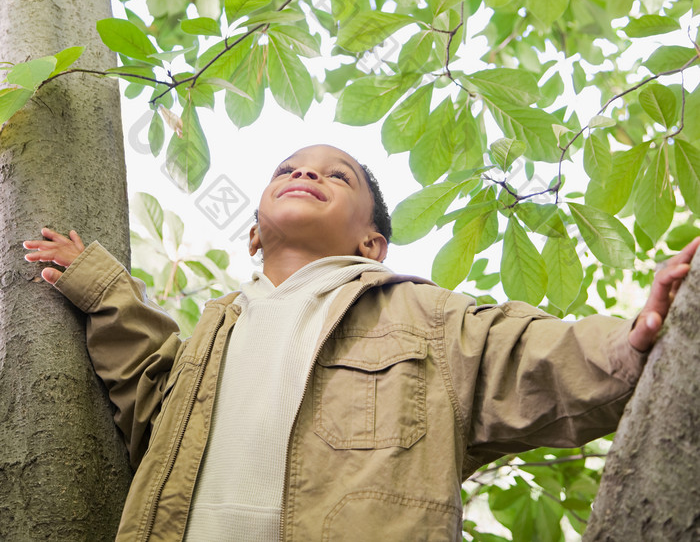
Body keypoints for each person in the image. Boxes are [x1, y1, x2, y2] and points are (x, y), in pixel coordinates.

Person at [23, 143, 699, 542]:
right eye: (288, 168)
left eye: (336, 176)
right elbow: (148, 394)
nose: (306, 174)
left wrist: (633, 338)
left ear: (371, 243)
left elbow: (523, 354)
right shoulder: (216, 331)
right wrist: (106, 289)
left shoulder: (421, 315)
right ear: (254, 235)